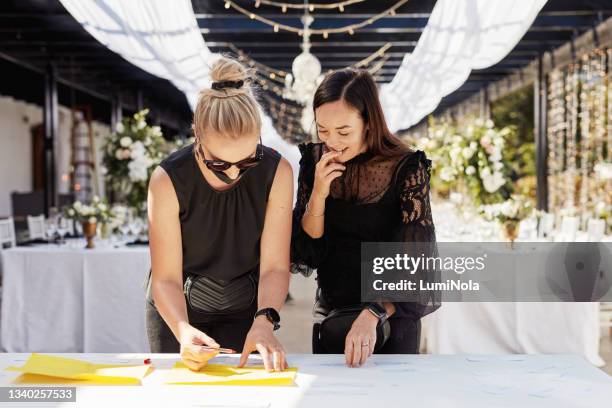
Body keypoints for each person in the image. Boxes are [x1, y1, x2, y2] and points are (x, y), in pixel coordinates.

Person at [146, 56, 293, 372]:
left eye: (247, 162)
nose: (234, 174)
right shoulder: (167, 179)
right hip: (177, 310)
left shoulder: (277, 171)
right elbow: (166, 278)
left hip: (247, 309)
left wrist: (265, 320)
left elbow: (275, 267)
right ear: (196, 134)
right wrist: (183, 331)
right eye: (219, 164)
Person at [291, 68, 440, 367]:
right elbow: (308, 250)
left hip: (390, 317)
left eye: (344, 131)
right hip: (332, 315)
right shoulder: (314, 161)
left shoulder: (406, 168)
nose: (331, 141)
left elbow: (417, 265)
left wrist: (374, 311)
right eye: (323, 130)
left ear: (369, 122)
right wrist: (319, 193)